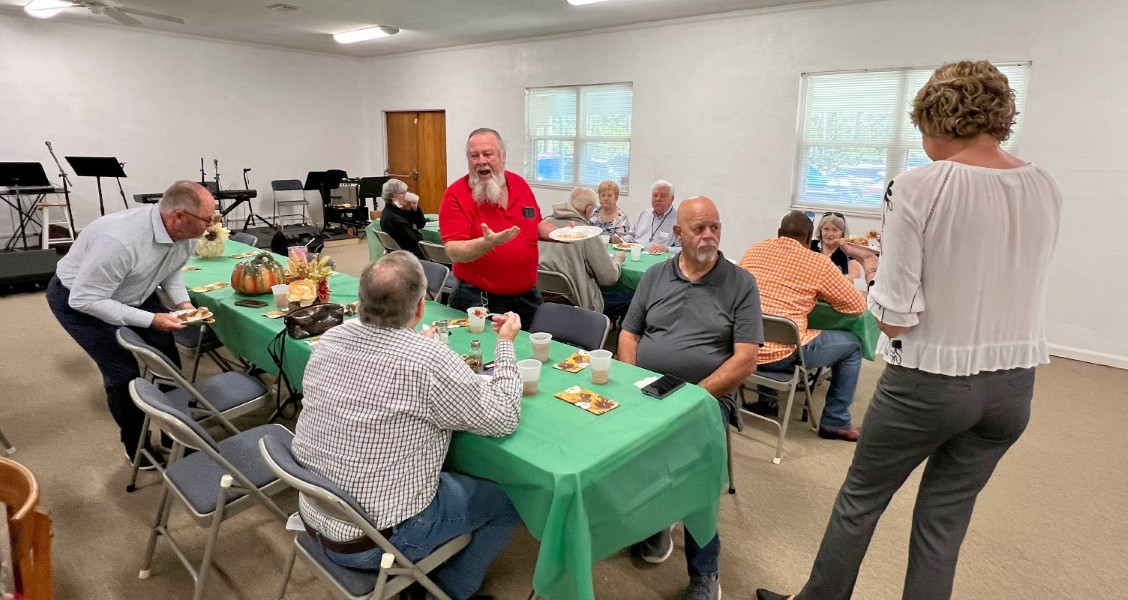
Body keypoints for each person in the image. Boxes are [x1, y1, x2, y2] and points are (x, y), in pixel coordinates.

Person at [757, 60, 1062, 600]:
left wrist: (874, 268)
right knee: (944, 521)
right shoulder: (1043, 184)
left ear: (935, 118)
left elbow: (894, 317)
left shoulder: (919, 186)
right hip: (1014, 386)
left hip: (929, 380)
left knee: (861, 499)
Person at [292, 251, 524, 600]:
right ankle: (446, 592)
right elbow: (504, 416)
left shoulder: (330, 339)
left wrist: (419, 347)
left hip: (314, 516)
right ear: (419, 308)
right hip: (374, 541)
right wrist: (505, 345)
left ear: (361, 300)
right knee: (508, 500)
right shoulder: (428, 361)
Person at [619, 196, 762, 600]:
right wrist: (633, 383)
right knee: (621, 447)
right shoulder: (655, 276)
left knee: (696, 468)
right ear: (678, 233)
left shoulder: (741, 284)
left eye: (715, 227)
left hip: (706, 397)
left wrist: (693, 397)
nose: (709, 236)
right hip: (648, 389)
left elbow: (745, 359)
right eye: (699, 229)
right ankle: (653, 521)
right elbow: (628, 334)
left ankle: (705, 570)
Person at [46, 180, 214, 464]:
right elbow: (84, 299)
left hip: (135, 289)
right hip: (80, 299)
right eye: (207, 219)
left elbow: (171, 270)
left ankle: (175, 433)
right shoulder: (120, 240)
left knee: (168, 362)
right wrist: (151, 319)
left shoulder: (185, 233)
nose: (211, 225)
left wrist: (183, 304)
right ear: (179, 216)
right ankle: (136, 445)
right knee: (124, 375)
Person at [739, 211, 867, 441]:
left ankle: (767, 401)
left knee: (765, 320)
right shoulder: (818, 262)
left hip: (744, 345)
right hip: (784, 354)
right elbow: (857, 306)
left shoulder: (755, 249)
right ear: (810, 239)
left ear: (779, 233)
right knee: (853, 345)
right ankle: (835, 421)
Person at [439, 128, 558, 326]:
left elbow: (535, 223)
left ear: (503, 156)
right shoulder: (455, 195)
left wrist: (560, 234)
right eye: (474, 156)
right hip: (479, 299)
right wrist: (487, 243)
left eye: (488, 154)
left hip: (527, 298)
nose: (481, 161)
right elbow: (454, 251)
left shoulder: (519, 184)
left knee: (531, 345)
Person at [539, 187, 631, 319]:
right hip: (578, 302)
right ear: (589, 209)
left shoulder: (543, 225)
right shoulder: (587, 233)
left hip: (542, 299)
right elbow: (608, 278)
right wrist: (618, 259)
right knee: (631, 301)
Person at [379, 178, 427, 258]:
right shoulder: (394, 218)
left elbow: (420, 224)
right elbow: (415, 242)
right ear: (393, 196)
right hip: (409, 256)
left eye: (406, 192)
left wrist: (415, 208)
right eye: (403, 193)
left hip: (405, 253)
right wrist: (416, 231)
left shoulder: (394, 210)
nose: (407, 195)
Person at [810, 212, 864, 280]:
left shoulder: (848, 251)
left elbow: (855, 276)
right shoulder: (810, 245)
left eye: (835, 230)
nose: (829, 234)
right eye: (826, 229)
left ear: (842, 232)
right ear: (820, 230)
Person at [633, 179, 680, 254]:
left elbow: (683, 249)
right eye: (655, 195)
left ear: (672, 199)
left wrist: (667, 249)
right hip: (636, 254)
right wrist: (622, 240)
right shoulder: (645, 213)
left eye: (662, 196)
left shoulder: (679, 219)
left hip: (659, 259)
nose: (658, 199)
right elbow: (631, 235)